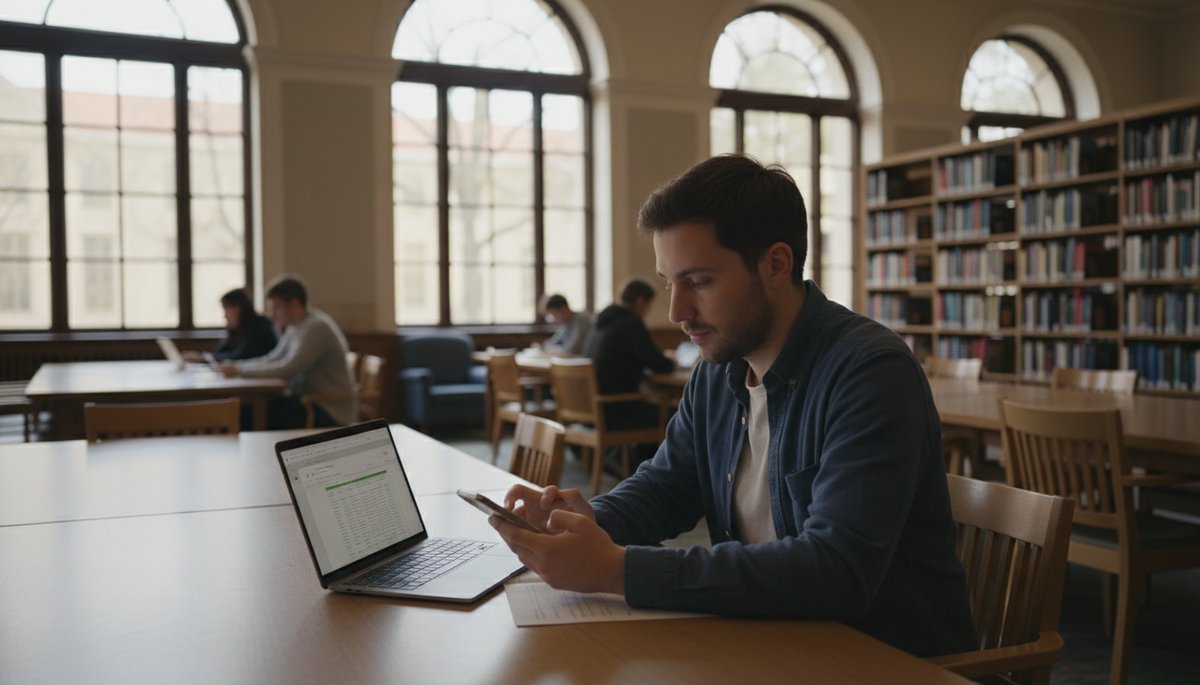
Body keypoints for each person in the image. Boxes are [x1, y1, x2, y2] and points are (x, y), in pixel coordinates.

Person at [490, 155, 975, 658]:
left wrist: (617, 569)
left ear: (776, 265)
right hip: (769, 637)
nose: (676, 311)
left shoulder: (869, 373)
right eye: (668, 283)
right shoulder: (718, 370)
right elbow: (669, 484)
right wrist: (587, 519)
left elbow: (837, 571)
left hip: (879, 660)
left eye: (699, 282)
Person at [220, 274, 355, 429]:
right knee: (247, 412)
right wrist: (236, 366)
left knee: (250, 415)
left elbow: (288, 369)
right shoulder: (295, 326)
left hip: (327, 408)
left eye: (277, 308)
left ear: (294, 304)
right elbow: (272, 358)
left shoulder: (316, 327)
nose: (273, 315)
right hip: (308, 401)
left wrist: (238, 369)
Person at [585, 278, 675, 463]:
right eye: (649, 304)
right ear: (641, 301)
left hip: (595, 407)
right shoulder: (630, 323)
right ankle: (645, 469)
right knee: (674, 415)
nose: (648, 311)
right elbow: (660, 365)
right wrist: (672, 361)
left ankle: (628, 464)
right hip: (616, 410)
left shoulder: (603, 322)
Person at [185, 288, 277, 363]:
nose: (224, 315)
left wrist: (205, 358)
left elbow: (241, 356)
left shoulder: (259, 327)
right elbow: (220, 351)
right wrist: (203, 357)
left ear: (237, 308)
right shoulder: (236, 329)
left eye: (226, 309)